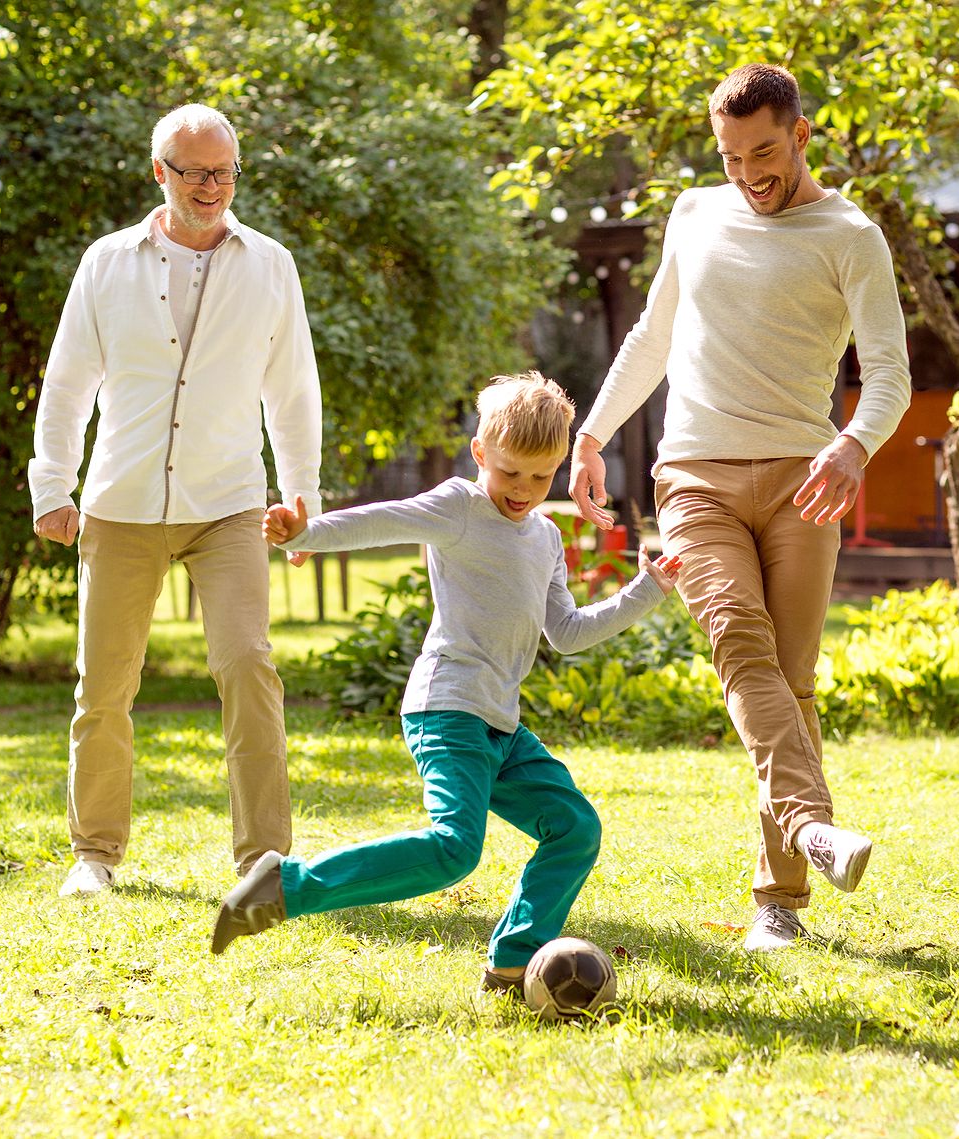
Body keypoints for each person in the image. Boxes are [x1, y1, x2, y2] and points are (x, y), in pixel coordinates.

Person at [569, 64, 913, 951]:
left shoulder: (851, 237)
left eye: (763, 152)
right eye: (729, 156)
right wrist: (594, 432)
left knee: (790, 685)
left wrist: (851, 444)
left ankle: (780, 903)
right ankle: (811, 829)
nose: (748, 173)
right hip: (694, 477)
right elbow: (653, 336)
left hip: (803, 479)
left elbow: (891, 375)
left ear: (801, 136)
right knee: (740, 644)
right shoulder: (696, 213)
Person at [210, 373, 683, 992]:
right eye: (510, 472)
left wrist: (646, 591)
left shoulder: (545, 537)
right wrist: (305, 534)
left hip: (501, 727)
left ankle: (515, 958)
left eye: (541, 478)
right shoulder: (459, 507)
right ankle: (284, 886)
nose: (523, 490)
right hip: (449, 710)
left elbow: (565, 631)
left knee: (574, 829)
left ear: (560, 464)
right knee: (454, 849)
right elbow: (385, 521)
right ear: (481, 453)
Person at [28, 103, 322, 896]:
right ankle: (94, 854)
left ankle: (264, 859)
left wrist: (302, 495)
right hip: (121, 503)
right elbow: (66, 385)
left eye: (224, 171)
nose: (212, 186)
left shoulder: (271, 264)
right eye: (194, 172)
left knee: (248, 666)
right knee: (104, 683)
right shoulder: (107, 263)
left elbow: (292, 390)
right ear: (160, 172)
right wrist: (52, 485)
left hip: (227, 500)